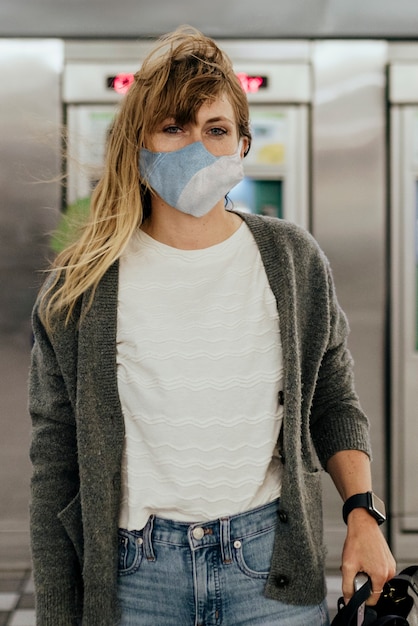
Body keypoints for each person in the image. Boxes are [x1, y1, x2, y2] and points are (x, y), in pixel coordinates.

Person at [29, 25, 396, 626]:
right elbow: (55, 461)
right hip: (135, 578)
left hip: (269, 569)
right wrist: (59, 611)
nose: (196, 147)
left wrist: (363, 512)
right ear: (138, 144)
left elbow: (332, 398)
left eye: (216, 130)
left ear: (243, 145)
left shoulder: (291, 260)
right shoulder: (84, 285)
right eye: (173, 127)